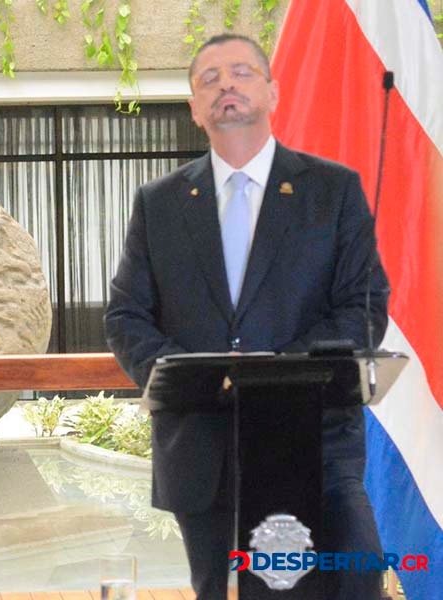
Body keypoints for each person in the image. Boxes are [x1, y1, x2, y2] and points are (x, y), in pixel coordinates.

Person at [104, 34, 389, 600]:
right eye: (208, 79)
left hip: (314, 444)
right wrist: (190, 376)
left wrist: (274, 376)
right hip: (202, 451)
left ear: (272, 91)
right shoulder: (157, 205)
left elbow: (363, 306)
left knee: (353, 584)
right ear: (193, 108)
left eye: (241, 72)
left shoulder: (332, 192)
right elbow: (126, 314)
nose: (225, 85)